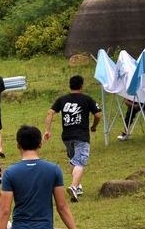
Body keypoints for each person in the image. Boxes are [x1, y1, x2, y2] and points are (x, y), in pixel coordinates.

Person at [44, 75, 102, 203]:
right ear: (81, 86)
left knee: (73, 161)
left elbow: (50, 113)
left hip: (67, 137)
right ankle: (74, 187)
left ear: (70, 85)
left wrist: (47, 130)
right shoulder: (87, 99)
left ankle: (78, 186)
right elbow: (98, 114)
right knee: (80, 162)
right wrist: (93, 126)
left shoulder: (62, 99)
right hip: (81, 136)